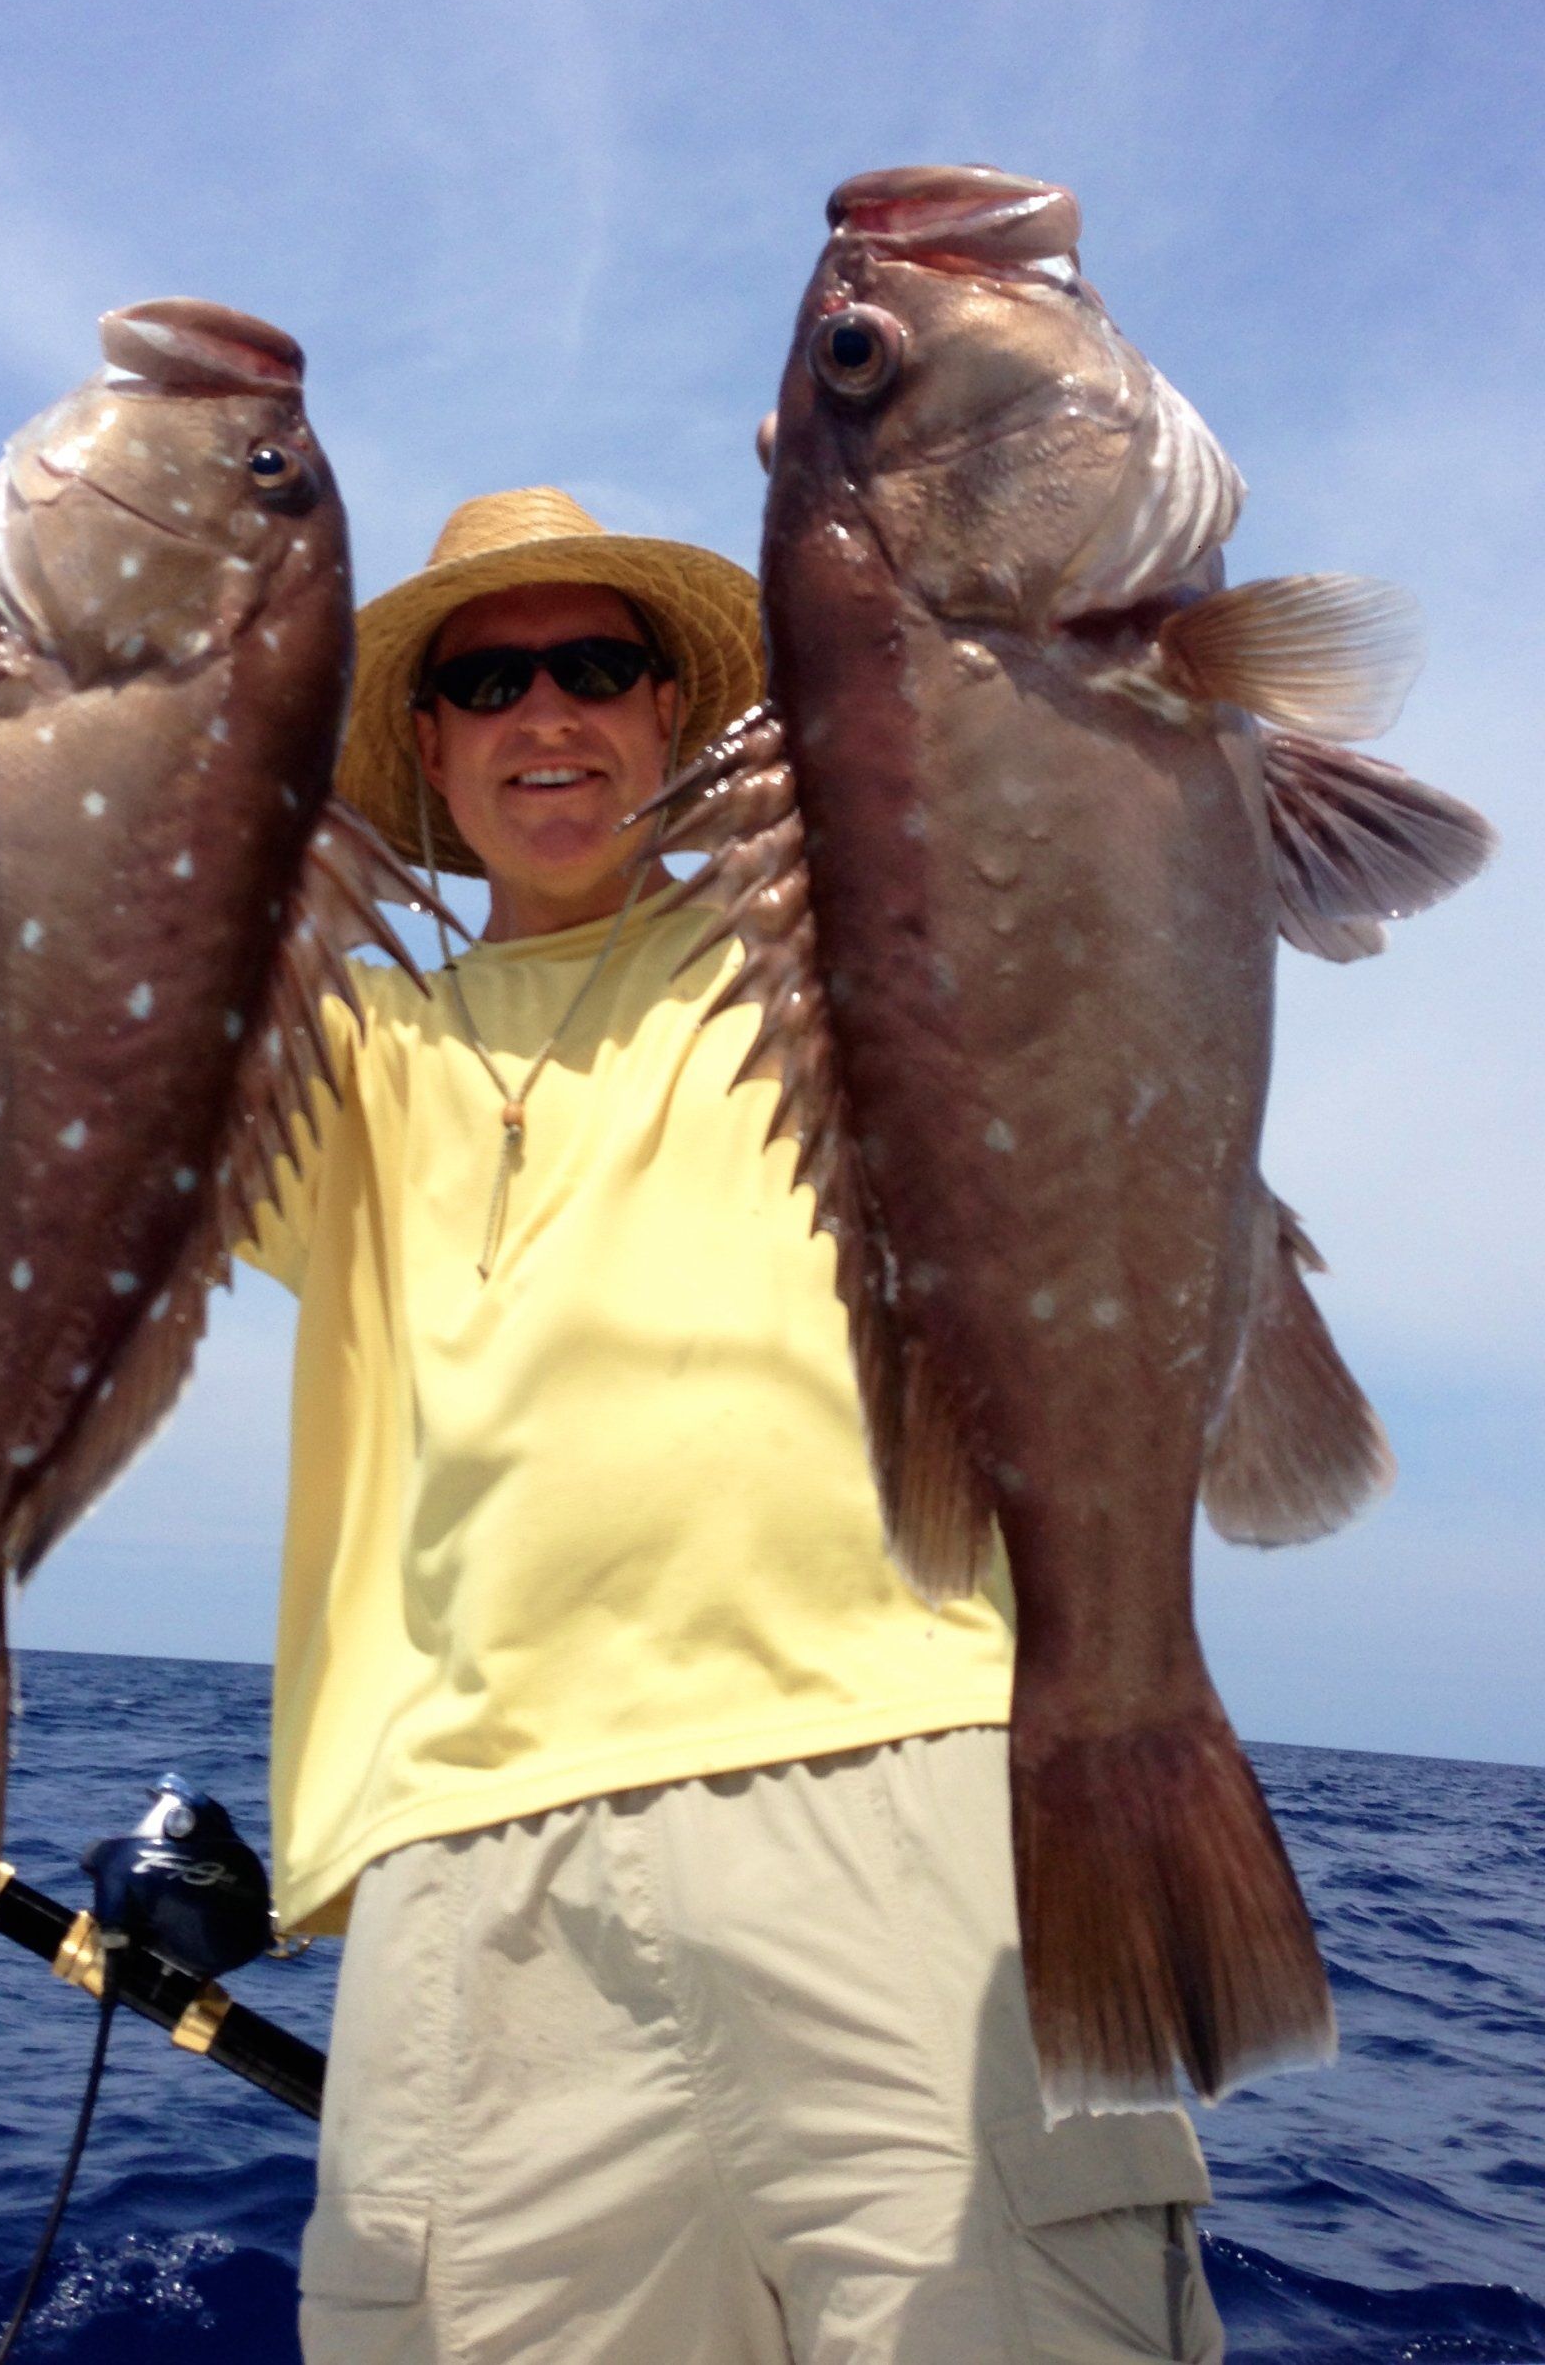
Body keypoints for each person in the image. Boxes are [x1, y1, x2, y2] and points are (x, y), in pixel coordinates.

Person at [242, 486, 1227, 2364]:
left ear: (677, 715)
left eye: (598, 665)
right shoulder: (352, 1055)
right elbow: (48, 1015)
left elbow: (1074, 794)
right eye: (489, 676)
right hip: (473, 1854)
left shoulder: (855, 947)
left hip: (902, 1780)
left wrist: (944, 503)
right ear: (428, 746)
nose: (549, 712)